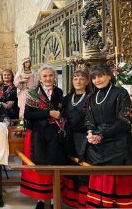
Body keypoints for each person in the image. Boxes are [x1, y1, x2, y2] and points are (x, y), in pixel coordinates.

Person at [82, 64, 132, 208]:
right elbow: (89, 119)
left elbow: (125, 120)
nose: (97, 80)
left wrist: (102, 134)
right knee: (99, 183)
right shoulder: (92, 96)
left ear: (109, 76)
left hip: (118, 145)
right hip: (98, 146)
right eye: (94, 77)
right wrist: (91, 133)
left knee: (117, 186)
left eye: (101, 76)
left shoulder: (120, 92)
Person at [20, 65, 66, 209]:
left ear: (54, 77)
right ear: (39, 78)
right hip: (38, 134)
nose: (48, 78)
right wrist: (48, 114)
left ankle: (53, 200)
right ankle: (40, 199)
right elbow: (28, 114)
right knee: (40, 167)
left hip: (55, 134)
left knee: (54, 165)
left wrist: (59, 115)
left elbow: (62, 110)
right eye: (45, 76)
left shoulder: (59, 92)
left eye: (50, 75)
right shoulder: (33, 93)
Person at [61, 70, 91, 208]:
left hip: (84, 138)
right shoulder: (67, 98)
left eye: (81, 78)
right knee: (70, 165)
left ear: (87, 81)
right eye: (75, 78)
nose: (78, 81)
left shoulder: (91, 97)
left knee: (83, 166)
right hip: (69, 137)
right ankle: (70, 198)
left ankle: (83, 200)